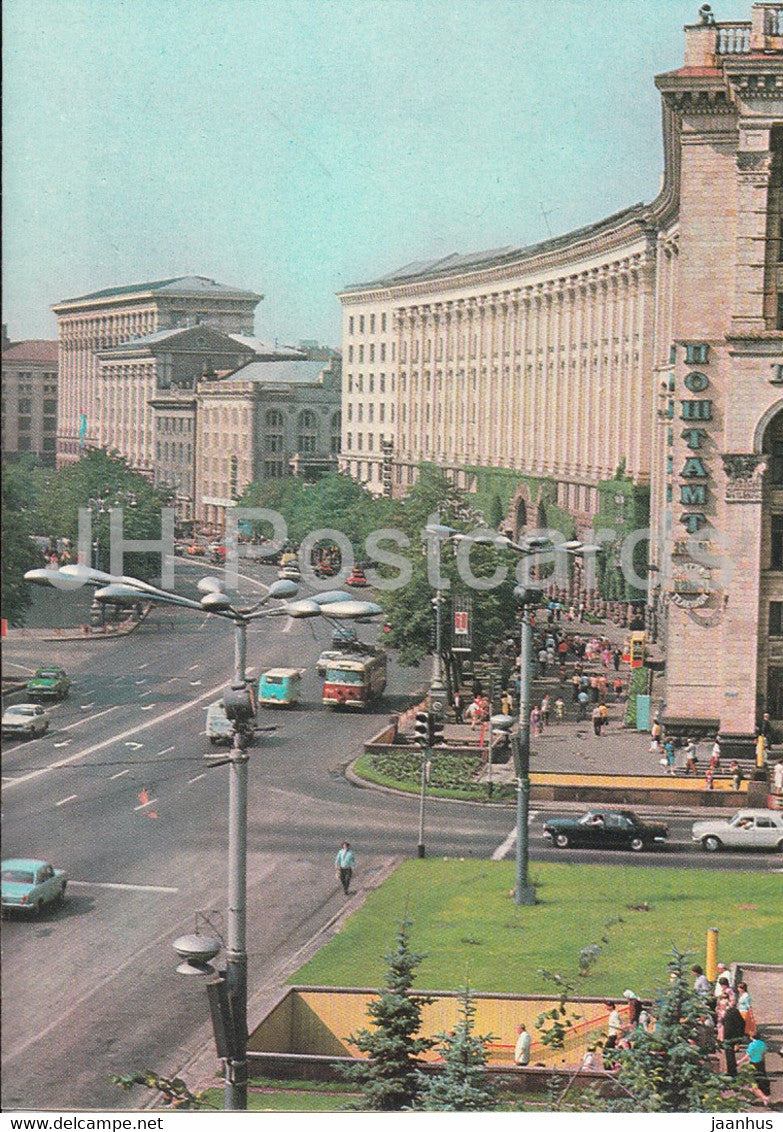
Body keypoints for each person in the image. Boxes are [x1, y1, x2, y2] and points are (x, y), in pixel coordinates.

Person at [738, 1037, 772, 1106]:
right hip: (761, 1064)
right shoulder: (762, 1044)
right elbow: (763, 1053)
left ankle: (763, 1097)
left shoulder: (752, 1045)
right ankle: (753, 1098)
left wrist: (739, 1061)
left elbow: (748, 1056)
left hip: (753, 1065)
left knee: (752, 1084)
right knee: (760, 1081)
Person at [721, 1002, 745, 1076]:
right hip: (737, 1036)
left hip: (729, 1038)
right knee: (731, 1054)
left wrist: (725, 1038)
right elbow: (742, 1022)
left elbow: (727, 1027)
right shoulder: (735, 1011)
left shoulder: (728, 1014)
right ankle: (733, 1070)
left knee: (729, 1055)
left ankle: (731, 1071)